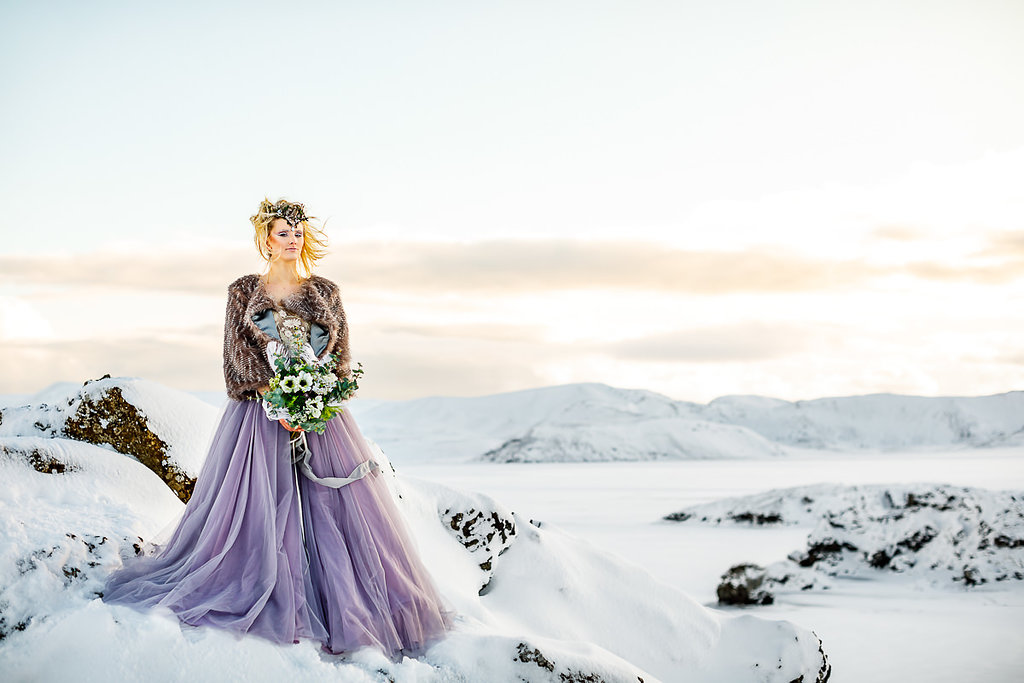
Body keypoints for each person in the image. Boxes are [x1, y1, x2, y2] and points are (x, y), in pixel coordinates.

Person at [101, 197, 455, 660]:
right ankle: (260, 587)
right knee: (261, 505)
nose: (292, 240)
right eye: (283, 232)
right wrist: (277, 399)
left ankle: (341, 602)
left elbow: (342, 357)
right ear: (266, 239)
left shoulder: (324, 291)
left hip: (321, 414)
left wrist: (314, 400)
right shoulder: (243, 291)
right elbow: (236, 356)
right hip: (259, 413)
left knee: (335, 509)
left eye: (298, 232)